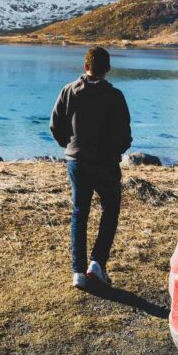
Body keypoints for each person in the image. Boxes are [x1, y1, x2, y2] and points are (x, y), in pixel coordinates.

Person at [50, 46, 132, 289]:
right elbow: (125, 135)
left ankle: (78, 271)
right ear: (107, 69)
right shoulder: (115, 96)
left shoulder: (69, 91)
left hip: (77, 161)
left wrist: (71, 144)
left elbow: (55, 125)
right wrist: (116, 151)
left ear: (86, 67)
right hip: (106, 164)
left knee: (79, 212)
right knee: (110, 210)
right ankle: (97, 262)